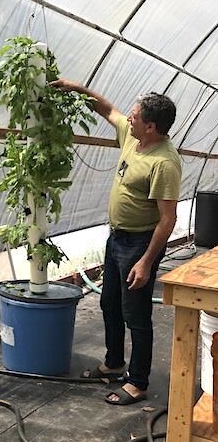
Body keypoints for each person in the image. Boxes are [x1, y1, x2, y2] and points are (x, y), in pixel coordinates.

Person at [49, 79, 182, 405]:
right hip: (117, 237)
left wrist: (146, 262)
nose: (129, 118)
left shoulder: (164, 163)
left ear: (151, 126)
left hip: (139, 244)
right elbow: (107, 109)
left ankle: (137, 383)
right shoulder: (133, 137)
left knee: (135, 316)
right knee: (109, 304)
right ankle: (112, 364)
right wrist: (73, 87)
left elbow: (168, 220)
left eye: (135, 116)